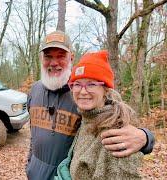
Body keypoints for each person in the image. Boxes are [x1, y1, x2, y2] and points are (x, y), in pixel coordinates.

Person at [26, 30, 155, 180]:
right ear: (41, 58)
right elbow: (33, 136)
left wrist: (146, 137)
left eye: (61, 56)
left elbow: (117, 113)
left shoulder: (84, 96)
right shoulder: (34, 91)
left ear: (71, 57)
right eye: (48, 56)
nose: (54, 62)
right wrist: (30, 164)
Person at [65, 50, 142, 179]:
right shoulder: (87, 118)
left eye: (91, 84)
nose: (83, 91)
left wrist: (146, 137)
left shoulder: (114, 133)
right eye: (77, 84)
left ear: (106, 90)